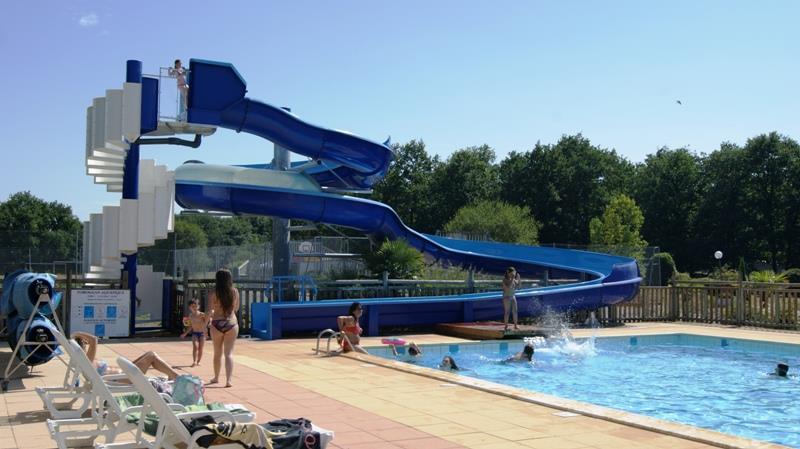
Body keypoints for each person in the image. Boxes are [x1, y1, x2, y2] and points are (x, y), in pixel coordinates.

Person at [71, 331, 179, 380]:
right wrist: (76, 333)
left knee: (149, 354)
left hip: (124, 374)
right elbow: (94, 339)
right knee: (151, 356)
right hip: (125, 378)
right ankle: (175, 376)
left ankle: (172, 375)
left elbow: (92, 340)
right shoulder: (86, 359)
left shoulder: (85, 359)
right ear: (83, 346)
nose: (87, 343)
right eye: (85, 342)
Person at [208, 269, 240, 387]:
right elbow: (235, 308)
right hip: (231, 323)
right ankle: (228, 380)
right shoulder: (235, 292)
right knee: (229, 353)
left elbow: (211, 309)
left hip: (217, 324)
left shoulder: (214, 292)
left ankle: (216, 378)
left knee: (217, 353)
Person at [180, 299, 210, 367]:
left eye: (195, 306)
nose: (194, 308)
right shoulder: (190, 316)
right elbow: (191, 326)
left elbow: (208, 321)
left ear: (198, 306)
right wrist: (185, 334)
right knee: (195, 347)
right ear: (189, 307)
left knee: (201, 348)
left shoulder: (202, 314)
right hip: (195, 333)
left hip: (202, 333)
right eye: (192, 306)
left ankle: (198, 361)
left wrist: (207, 333)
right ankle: (194, 361)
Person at [502, 267, 521, 331]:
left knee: (515, 311)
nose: (513, 274)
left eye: (514, 273)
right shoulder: (505, 279)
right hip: (506, 297)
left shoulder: (514, 280)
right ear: (508, 273)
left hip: (513, 296)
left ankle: (515, 325)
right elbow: (508, 288)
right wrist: (513, 279)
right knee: (507, 312)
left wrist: (519, 279)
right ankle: (506, 326)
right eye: (512, 273)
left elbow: (519, 287)